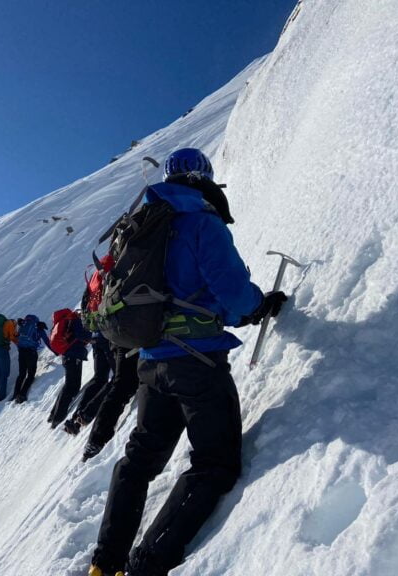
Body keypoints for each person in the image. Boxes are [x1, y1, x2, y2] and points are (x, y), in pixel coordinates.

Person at [89, 148, 287, 576]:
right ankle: (145, 566)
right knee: (215, 462)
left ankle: (105, 564)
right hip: (196, 363)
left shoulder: (144, 221)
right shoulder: (200, 221)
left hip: (150, 362)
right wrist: (259, 306)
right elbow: (233, 294)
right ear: (205, 178)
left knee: (139, 461)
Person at [80, 345, 140, 461]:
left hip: (120, 340)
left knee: (120, 386)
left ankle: (95, 440)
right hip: (130, 341)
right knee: (121, 386)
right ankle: (96, 440)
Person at [63, 331, 114, 435]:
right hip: (109, 337)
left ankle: (76, 418)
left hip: (96, 339)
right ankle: (86, 414)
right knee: (118, 378)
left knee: (99, 378)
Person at [48, 310, 91, 428]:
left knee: (68, 385)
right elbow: (81, 334)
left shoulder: (63, 321)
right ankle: (57, 418)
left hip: (67, 355)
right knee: (72, 386)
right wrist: (92, 336)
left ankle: (53, 414)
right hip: (74, 355)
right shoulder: (74, 320)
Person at [11, 314, 53, 403]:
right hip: (31, 353)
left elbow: (18, 338)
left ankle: (15, 394)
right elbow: (47, 342)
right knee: (30, 374)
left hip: (21, 352)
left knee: (21, 374)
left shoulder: (23, 325)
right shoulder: (38, 328)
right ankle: (22, 395)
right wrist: (57, 352)